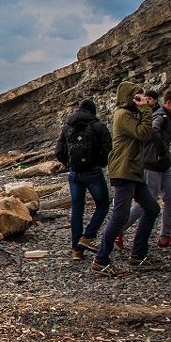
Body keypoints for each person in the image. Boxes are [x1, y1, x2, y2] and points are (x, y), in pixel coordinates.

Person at [91, 83, 158, 276]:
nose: (141, 99)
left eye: (142, 96)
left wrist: (144, 110)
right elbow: (143, 134)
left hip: (134, 171)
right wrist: (146, 108)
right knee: (120, 215)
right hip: (124, 170)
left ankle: (138, 254)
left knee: (152, 208)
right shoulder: (123, 115)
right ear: (129, 97)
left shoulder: (132, 114)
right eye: (137, 96)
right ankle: (101, 259)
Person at [125, 88, 171, 248]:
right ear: (168, 103)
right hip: (152, 164)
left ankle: (165, 237)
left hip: (163, 165)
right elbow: (153, 130)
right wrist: (160, 152)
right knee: (148, 201)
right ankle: (118, 229)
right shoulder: (160, 116)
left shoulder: (167, 116)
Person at [54, 99, 111, 260]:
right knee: (103, 204)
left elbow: (58, 151)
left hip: (74, 174)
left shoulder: (67, 127)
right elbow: (108, 149)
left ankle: (76, 250)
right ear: (92, 111)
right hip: (92, 172)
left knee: (77, 210)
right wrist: (100, 163)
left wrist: (68, 164)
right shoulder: (98, 126)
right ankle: (87, 236)